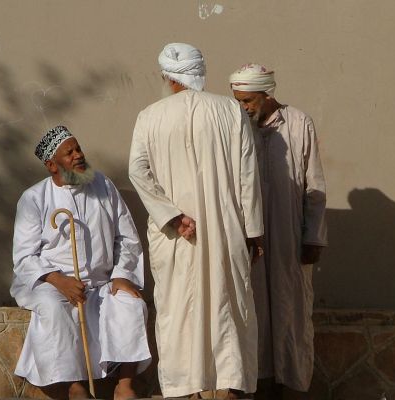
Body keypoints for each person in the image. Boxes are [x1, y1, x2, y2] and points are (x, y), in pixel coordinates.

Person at [129, 43, 264, 399]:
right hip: (226, 231)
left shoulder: (149, 116)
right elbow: (248, 177)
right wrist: (253, 232)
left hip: (175, 237)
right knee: (228, 308)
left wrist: (171, 216)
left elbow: (137, 172)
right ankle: (229, 388)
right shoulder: (230, 112)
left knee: (178, 310)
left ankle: (184, 390)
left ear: (167, 77)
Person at [11, 125, 151, 400]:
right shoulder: (33, 199)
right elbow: (24, 257)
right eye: (69, 152)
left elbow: (127, 237)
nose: (78, 155)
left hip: (102, 280)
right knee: (52, 308)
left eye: (78, 149)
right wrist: (58, 281)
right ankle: (72, 385)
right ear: (52, 165)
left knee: (130, 304)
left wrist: (121, 275)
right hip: (50, 281)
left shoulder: (104, 186)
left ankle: (125, 385)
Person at [229, 63, 327, 399]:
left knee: (291, 311)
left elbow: (314, 186)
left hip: (289, 236)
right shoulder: (235, 128)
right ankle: (255, 384)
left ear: (266, 93)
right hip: (250, 238)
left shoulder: (299, 123)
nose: (243, 107)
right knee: (253, 311)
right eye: (238, 100)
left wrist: (314, 236)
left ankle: (292, 385)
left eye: (248, 101)